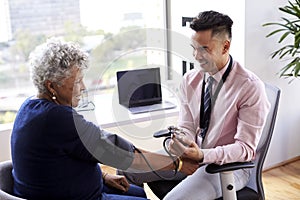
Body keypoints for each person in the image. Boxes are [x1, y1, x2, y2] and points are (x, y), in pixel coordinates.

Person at [10, 38, 199, 200]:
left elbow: (68, 156)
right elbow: (119, 152)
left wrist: (103, 176)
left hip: (65, 189)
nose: (83, 87)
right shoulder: (57, 118)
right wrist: (178, 164)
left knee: (138, 193)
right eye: (77, 82)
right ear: (51, 86)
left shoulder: (30, 106)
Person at [118, 10, 271, 199]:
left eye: (204, 49)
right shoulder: (190, 79)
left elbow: (245, 149)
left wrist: (203, 155)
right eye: (194, 48)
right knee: (127, 168)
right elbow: (187, 125)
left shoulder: (249, 87)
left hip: (224, 168)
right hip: (194, 156)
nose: (196, 56)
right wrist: (183, 143)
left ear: (225, 47)